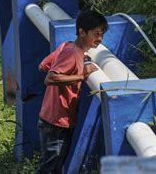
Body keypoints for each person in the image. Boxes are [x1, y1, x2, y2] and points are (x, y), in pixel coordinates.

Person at [36, 10, 108, 174]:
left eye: (102, 34)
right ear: (82, 31)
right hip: (57, 123)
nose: (100, 39)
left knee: (51, 166)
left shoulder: (66, 46)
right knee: (50, 169)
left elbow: (43, 65)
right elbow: (50, 78)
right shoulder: (72, 52)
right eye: (96, 34)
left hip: (50, 119)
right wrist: (81, 76)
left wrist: (80, 63)